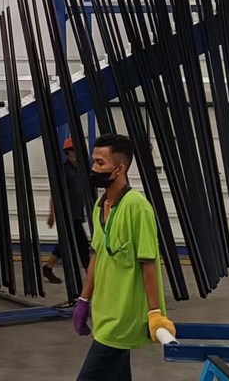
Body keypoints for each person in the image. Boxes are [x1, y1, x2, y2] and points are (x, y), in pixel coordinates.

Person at [73, 134, 174, 381]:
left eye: (100, 163)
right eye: (94, 161)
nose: (94, 168)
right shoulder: (100, 205)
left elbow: (148, 262)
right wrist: (84, 300)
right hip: (104, 313)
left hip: (123, 318)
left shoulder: (137, 207)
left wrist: (155, 313)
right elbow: (97, 256)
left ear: (119, 169)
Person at [43, 137, 91, 286]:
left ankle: (48, 268)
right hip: (67, 214)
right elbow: (55, 193)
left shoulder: (81, 170)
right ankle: (91, 276)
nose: (75, 154)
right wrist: (52, 214)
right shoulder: (64, 170)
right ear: (68, 152)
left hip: (77, 213)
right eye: (73, 151)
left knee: (66, 243)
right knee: (82, 244)